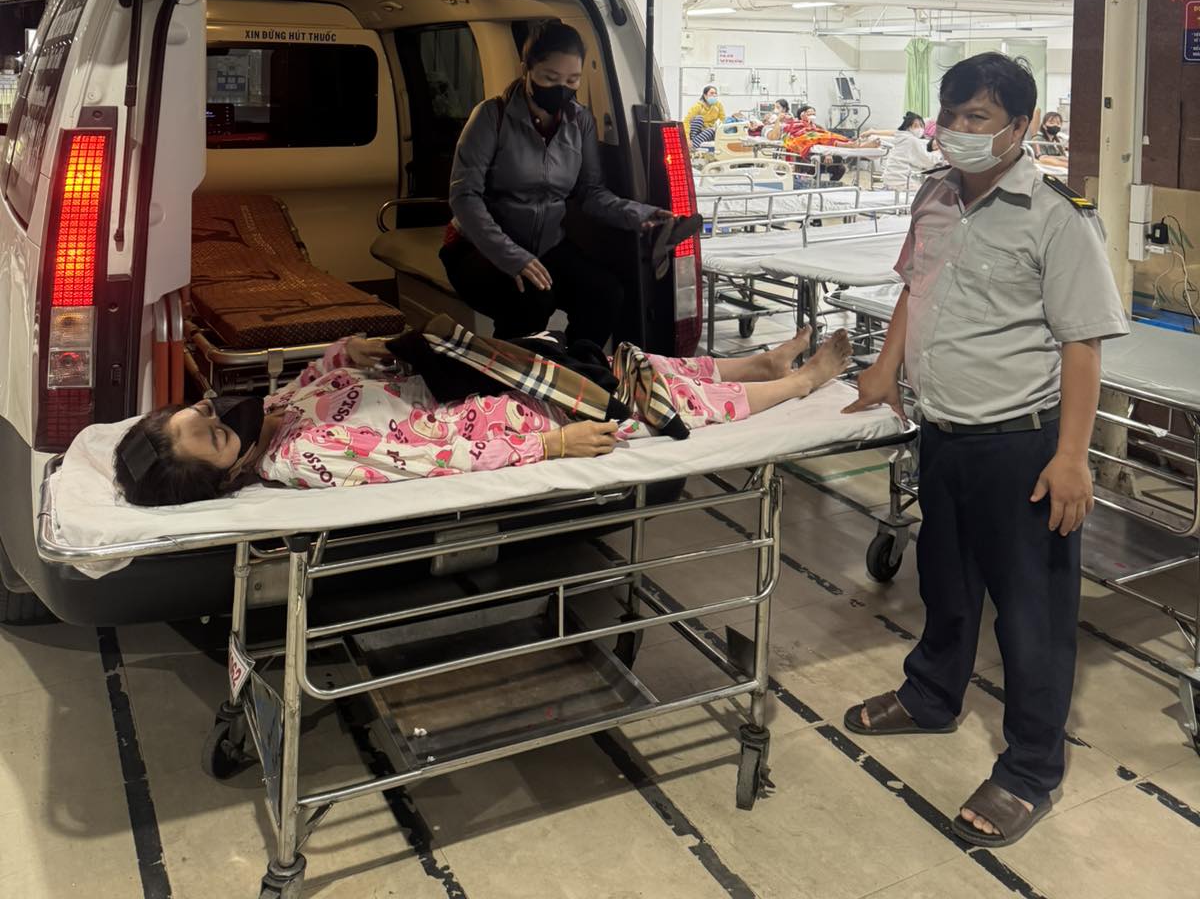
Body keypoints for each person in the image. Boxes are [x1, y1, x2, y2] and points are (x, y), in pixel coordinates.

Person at [842, 52, 1128, 849]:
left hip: (1021, 445)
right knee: (946, 583)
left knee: (1032, 615)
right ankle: (931, 697)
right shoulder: (935, 195)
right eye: (952, 114)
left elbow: (1082, 345)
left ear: (1021, 126)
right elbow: (915, 289)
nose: (960, 130)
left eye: (980, 117)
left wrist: (1071, 457)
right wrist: (884, 370)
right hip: (943, 432)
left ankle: (1031, 768)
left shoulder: (1057, 215)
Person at [113, 325, 855, 504]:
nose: (222, 413)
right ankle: (796, 385)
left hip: (453, 373)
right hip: (494, 416)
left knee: (610, 358)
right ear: (230, 474)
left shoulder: (275, 411)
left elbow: (322, 375)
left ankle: (754, 364)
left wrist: (350, 351)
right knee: (638, 401)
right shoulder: (301, 457)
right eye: (217, 434)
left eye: (199, 410)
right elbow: (435, 452)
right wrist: (551, 444)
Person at [440, 19, 670, 346]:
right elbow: (464, 197)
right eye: (550, 78)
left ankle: (577, 368)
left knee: (605, 294)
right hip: (479, 246)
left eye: (572, 80)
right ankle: (511, 372)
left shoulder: (581, 122)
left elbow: (590, 193)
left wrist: (641, 214)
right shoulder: (492, 116)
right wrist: (512, 256)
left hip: (547, 246)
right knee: (531, 301)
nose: (562, 88)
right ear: (526, 70)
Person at [880, 111, 943, 191]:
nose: (919, 129)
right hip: (900, 181)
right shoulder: (911, 140)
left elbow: (923, 144)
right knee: (928, 191)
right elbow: (927, 160)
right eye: (915, 126)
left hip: (890, 179)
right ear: (908, 127)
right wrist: (939, 153)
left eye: (921, 126)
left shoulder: (902, 137)